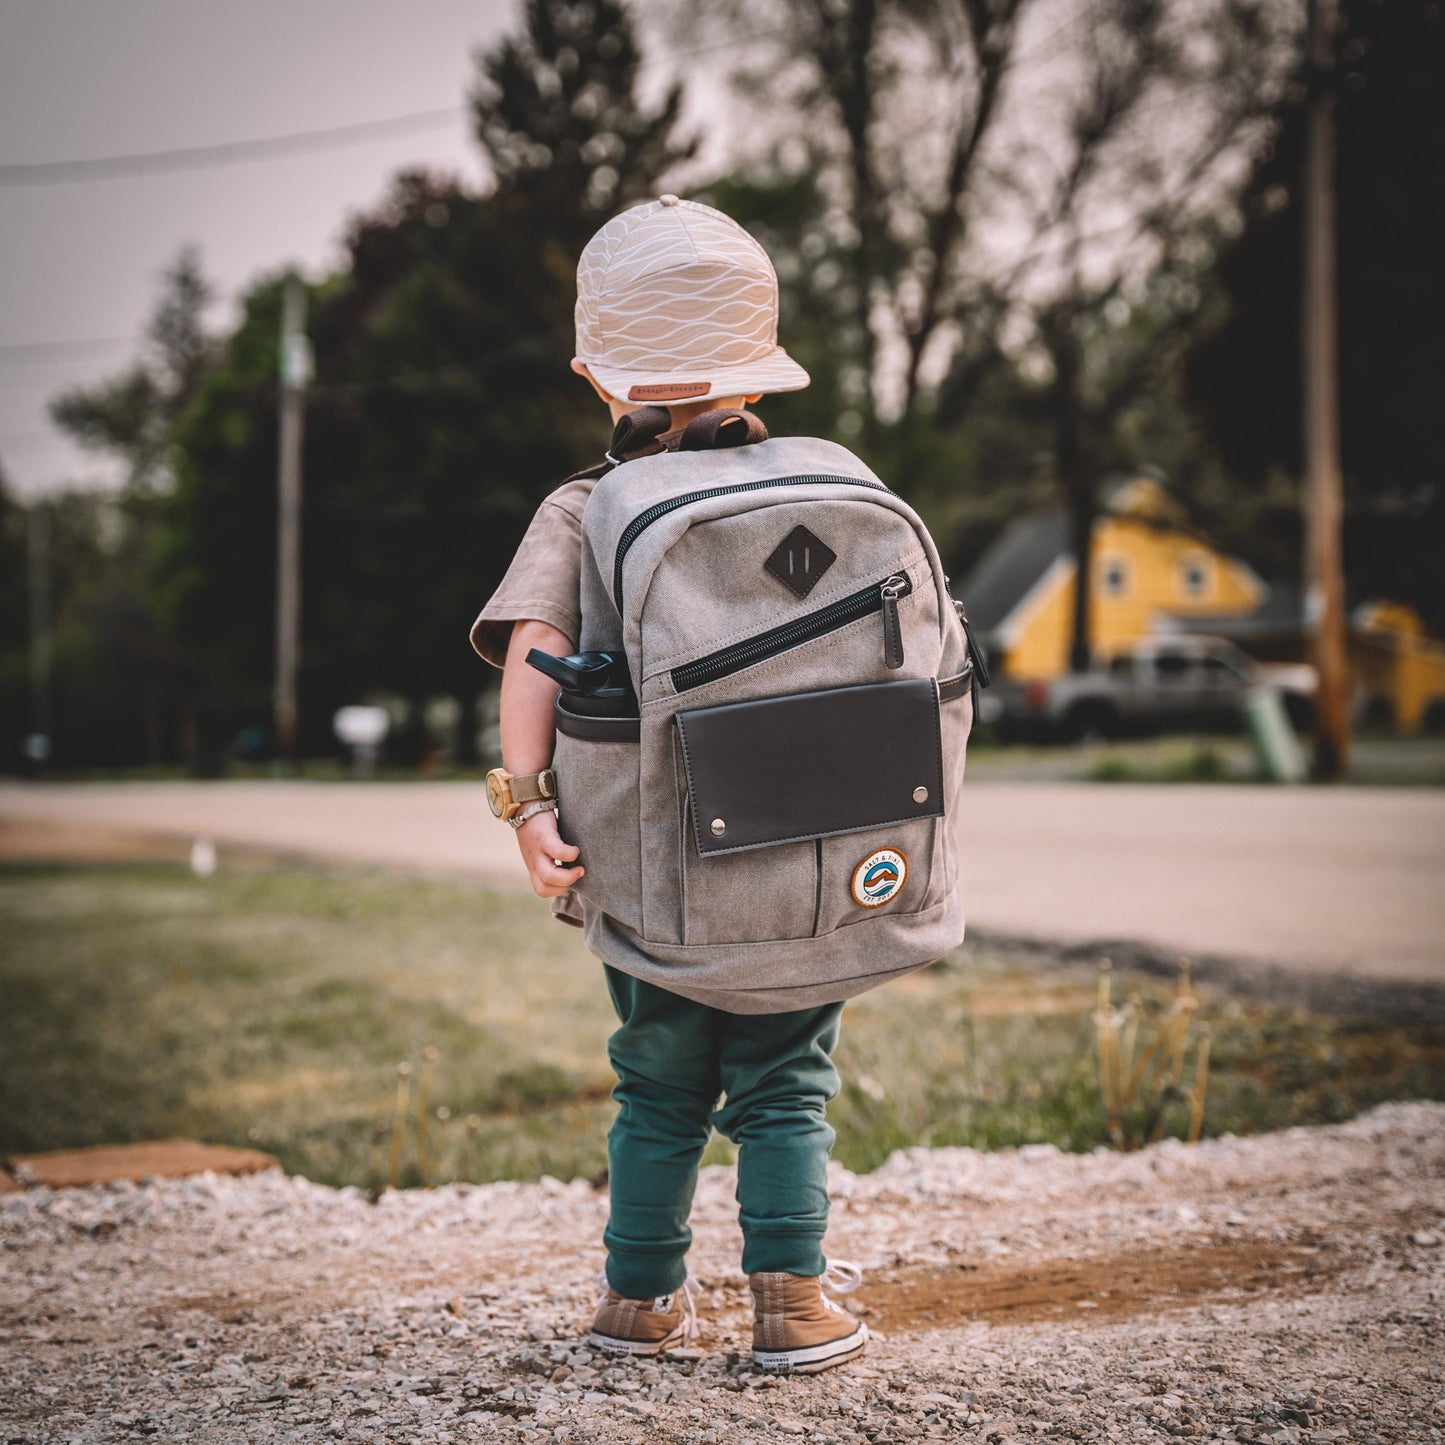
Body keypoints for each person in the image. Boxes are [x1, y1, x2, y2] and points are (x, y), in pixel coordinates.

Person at [468, 195, 867, 1374]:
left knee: (655, 1079)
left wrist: (528, 809)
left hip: (647, 860)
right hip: (802, 849)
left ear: (598, 374)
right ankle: (791, 1305)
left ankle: (638, 1301)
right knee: (786, 1077)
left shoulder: (587, 506)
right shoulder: (828, 485)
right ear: (766, 360)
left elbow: (534, 663)